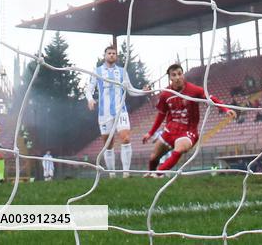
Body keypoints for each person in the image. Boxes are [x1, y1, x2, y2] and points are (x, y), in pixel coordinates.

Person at [142, 64, 235, 176]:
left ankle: (158, 174)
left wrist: (225, 109)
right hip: (170, 130)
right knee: (153, 157)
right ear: (170, 78)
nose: (177, 77)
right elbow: (161, 115)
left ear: (183, 74)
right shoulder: (165, 94)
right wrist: (150, 133)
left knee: (179, 149)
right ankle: (150, 175)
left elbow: (211, 99)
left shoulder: (193, 90)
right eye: (174, 75)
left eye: (180, 74)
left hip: (188, 131)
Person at [86, 45, 143, 178]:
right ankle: (112, 173)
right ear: (104, 55)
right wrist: (90, 99)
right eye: (109, 53)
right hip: (104, 113)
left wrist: (143, 91)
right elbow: (89, 89)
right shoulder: (97, 71)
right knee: (108, 144)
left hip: (120, 111)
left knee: (126, 138)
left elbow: (130, 90)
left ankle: (126, 173)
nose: (112, 55)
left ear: (116, 56)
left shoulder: (122, 72)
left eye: (114, 53)